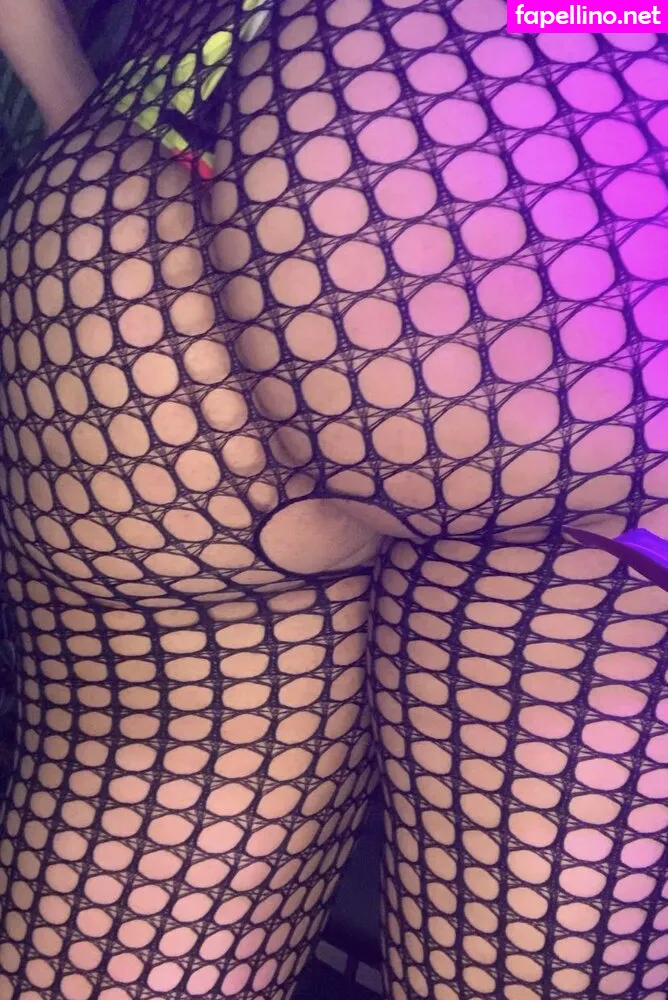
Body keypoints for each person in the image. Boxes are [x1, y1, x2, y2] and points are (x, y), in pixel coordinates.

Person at [0, 1, 667, 998]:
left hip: (123, 201)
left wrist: (81, 119)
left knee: (155, 796)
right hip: (527, 106)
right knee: (560, 777)